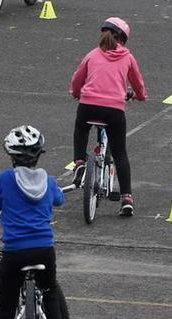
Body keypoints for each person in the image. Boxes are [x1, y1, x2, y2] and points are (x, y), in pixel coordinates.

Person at [0, 125, 68, 319]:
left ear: (11, 156)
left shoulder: (4, 179)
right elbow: (59, 200)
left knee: (5, 304)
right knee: (50, 292)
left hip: (15, 252)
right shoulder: (48, 180)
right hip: (44, 250)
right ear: (39, 154)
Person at [69, 17, 146, 216]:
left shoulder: (92, 54)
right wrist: (139, 96)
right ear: (123, 39)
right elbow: (137, 83)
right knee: (120, 152)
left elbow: (78, 79)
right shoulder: (128, 57)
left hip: (88, 105)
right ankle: (127, 198)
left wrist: (77, 93)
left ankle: (79, 162)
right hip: (114, 110)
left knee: (81, 128)